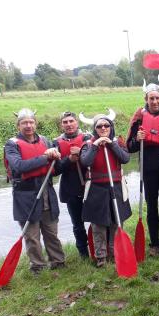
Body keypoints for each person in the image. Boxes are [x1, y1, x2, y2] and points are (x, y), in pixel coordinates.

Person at [3, 108, 65, 274]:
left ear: (36, 124)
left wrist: (66, 160)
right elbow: (18, 166)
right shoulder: (12, 145)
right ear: (18, 126)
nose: (28, 126)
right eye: (24, 123)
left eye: (31, 122)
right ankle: (38, 266)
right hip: (25, 195)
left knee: (51, 232)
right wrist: (45, 157)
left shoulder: (46, 141)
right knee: (32, 235)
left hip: (47, 193)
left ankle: (58, 261)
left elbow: (56, 169)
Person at [127, 77, 159, 256]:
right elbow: (129, 147)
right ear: (146, 99)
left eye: (157, 98)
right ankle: (154, 242)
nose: (154, 101)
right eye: (151, 98)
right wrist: (138, 141)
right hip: (148, 168)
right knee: (152, 206)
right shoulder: (139, 118)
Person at [80, 113, 132, 267]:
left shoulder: (117, 142)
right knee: (99, 225)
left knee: (117, 221)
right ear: (94, 129)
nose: (103, 128)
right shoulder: (88, 145)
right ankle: (101, 256)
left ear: (111, 127)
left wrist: (111, 144)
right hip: (96, 188)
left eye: (106, 125)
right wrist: (96, 145)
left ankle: (115, 252)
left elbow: (125, 159)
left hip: (116, 186)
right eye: (99, 126)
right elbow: (85, 161)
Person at [53, 111, 92, 259]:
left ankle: (99, 250)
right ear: (61, 125)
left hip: (90, 188)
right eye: (65, 122)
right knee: (77, 224)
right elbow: (55, 170)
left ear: (77, 123)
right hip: (71, 189)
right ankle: (83, 254)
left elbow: (94, 160)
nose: (69, 124)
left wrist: (81, 153)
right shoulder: (56, 143)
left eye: (71, 121)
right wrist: (69, 159)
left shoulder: (88, 138)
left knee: (96, 221)